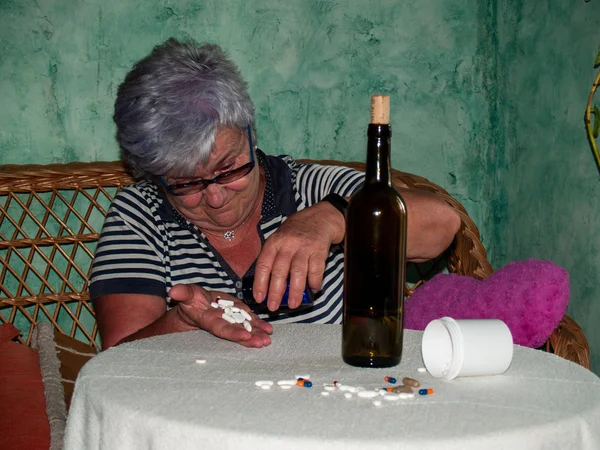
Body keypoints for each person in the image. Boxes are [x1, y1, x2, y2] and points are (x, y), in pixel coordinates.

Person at [91, 38, 461, 350]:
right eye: (186, 183)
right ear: (154, 175)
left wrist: (335, 217)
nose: (216, 198)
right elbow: (120, 360)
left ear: (250, 134)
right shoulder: (140, 215)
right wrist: (183, 322)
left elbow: (443, 224)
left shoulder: (309, 189)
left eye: (229, 168)